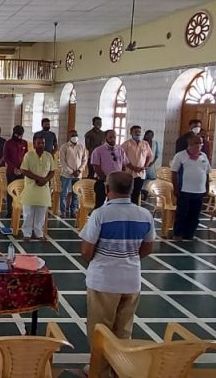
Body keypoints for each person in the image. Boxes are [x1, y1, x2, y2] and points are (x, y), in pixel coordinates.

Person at [79, 171, 155, 378]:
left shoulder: (101, 215)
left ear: (106, 189)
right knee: (123, 331)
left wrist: (102, 261)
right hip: (131, 280)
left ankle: (99, 372)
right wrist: (128, 258)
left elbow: (86, 250)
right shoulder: (144, 215)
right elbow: (148, 248)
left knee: (100, 330)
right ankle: (119, 369)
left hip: (104, 281)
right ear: (132, 189)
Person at [170, 135, 212, 240]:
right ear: (189, 144)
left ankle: (190, 234)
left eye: (201, 143)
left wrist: (207, 187)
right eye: (196, 143)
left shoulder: (204, 156)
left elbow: (207, 173)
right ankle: (178, 234)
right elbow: (174, 173)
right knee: (182, 213)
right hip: (185, 190)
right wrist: (176, 188)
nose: (199, 145)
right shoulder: (180, 155)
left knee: (195, 214)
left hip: (199, 191)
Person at [18, 133, 55, 240]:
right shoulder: (28, 155)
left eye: (43, 143)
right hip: (31, 188)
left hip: (43, 188)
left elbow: (52, 171)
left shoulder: (48, 156)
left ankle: (39, 233)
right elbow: (24, 170)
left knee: (41, 212)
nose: (41, 145)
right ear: (34, 144)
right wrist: (38, 178)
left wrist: (45, 180)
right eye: (39, 143)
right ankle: (27, 233)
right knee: (28, 212)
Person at [90, 130, 128, 210]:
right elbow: (96, 167)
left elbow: (124, 165)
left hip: (116, 182)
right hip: (102, 182)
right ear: (105, 138)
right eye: (110, 137)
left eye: (114, 137)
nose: (113, 139)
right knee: (99, 205)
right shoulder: (98, 150)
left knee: (113, 205)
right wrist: (106, 180)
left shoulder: (120, 150)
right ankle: (97, 217)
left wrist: (121, 178)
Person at [58, 130, 88, 218]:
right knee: (64, 193)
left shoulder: (81, 146)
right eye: (72, 135)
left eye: (76, 135)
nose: (75, 137)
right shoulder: (64, 147)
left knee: (76, 194)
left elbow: (84, 160)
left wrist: (79, 170)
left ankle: (73, 211)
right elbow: (62, 162)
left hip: (78, 175)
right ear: (69, 137)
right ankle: (63, 211)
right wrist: (71, 171)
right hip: (66, 175)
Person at [122, 125, 154, 205]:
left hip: (141, 173)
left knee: (136, 193)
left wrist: (144, 166)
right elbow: (122, 157)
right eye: (135, 132)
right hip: (129, 173)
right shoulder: (127, 144)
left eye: (139, 132)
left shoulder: (145, 144)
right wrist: (133, 167)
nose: (138, 134)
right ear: (131, 133)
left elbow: (150, 156)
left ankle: (134, 209)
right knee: (128, 193)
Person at [3, 125, 28, 218]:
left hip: (21, 171)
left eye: (21, 135)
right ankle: (9, 210)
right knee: (11, 191)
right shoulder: (8, 143)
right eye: (18, 135)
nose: (19, 137)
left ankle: (19, 210)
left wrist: (21, 168)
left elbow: (26, 156)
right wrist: (14, 168)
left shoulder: (24, 143)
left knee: (20, 191)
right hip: (11, 171)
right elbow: (6, 158)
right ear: (14, 133)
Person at [143, 129, 160, 202]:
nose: (149, 137)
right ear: (145, 135)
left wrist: (152, 163)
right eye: (148, 135)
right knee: (142, 180)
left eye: (151, 135)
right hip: (142, 165)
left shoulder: (155, 143)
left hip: (151, 166)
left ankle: (147, 194)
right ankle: (142, 195)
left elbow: (157, 155)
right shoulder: (142, 143)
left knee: (150, 182)